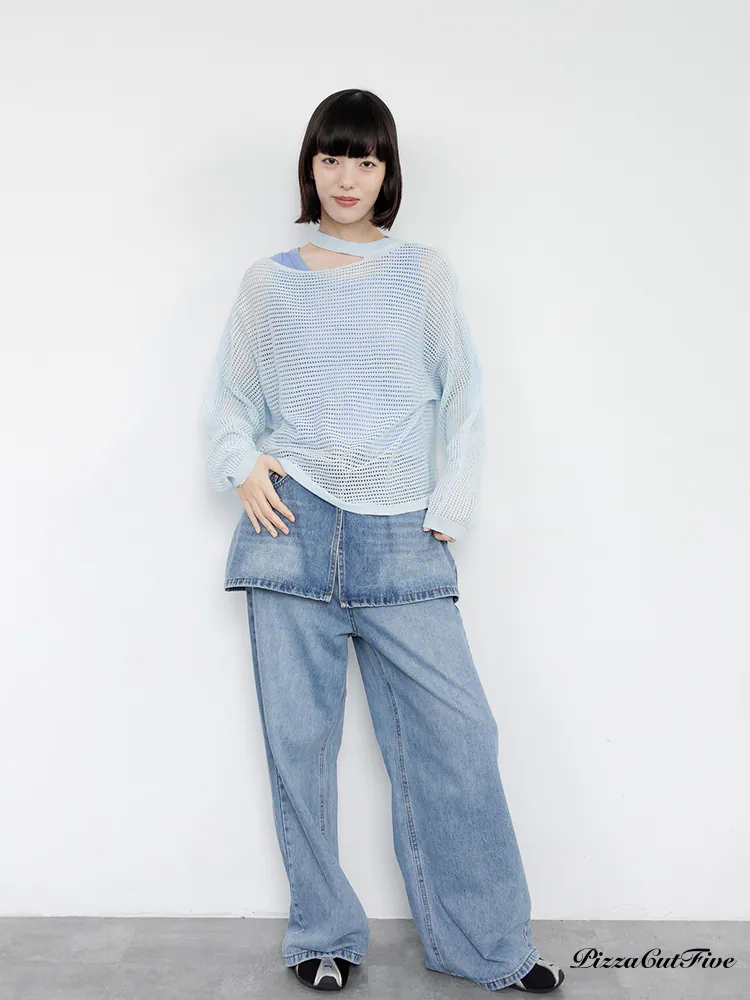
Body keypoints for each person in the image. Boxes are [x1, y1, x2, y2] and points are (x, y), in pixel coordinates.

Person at [203, 88, 564, 995]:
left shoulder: (424, 274)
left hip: (402, 534)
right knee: (300, 747)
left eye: (365, 160)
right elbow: (231, 401)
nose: (347, 177)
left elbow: (465, 392)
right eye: (331, 158)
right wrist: (240, 464)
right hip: (290, 529)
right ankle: (322, 937)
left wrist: (452, 501)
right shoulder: (266, 283)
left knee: (460, 737)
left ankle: (487, 946)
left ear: (387, 171)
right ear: (310, 167)